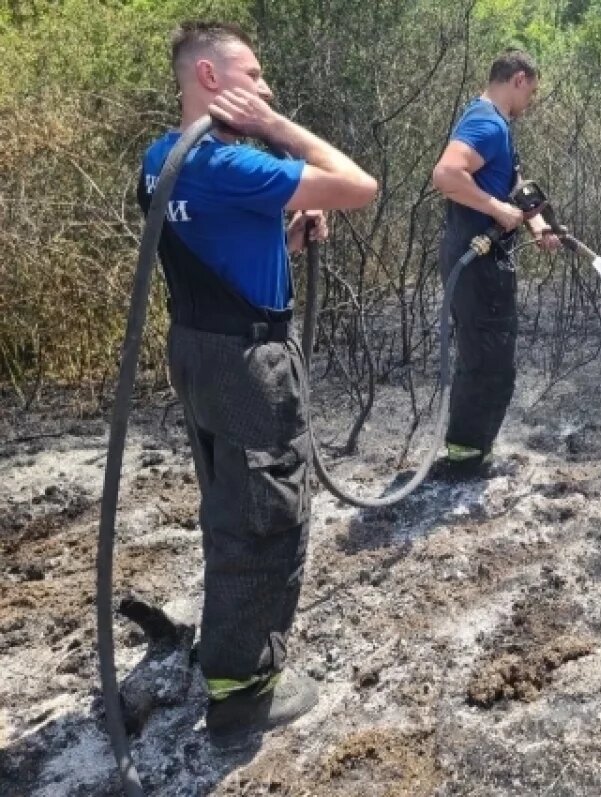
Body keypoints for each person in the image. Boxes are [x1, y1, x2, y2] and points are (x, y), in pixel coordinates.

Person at [138, 21, 377, 743]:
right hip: (248, 365)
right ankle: (242, 690)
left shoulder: (161, 158)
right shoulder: (227, 162)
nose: (266, 89)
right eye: (254, 74)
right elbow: (359, 186)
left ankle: (227, 648)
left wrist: (282, 237)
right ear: (210, 78)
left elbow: (207, 242)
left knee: (231, 500)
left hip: (198, 348)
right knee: (266, 514)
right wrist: (277, 128)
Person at [429, 49, 560, 480]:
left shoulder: (496, 124)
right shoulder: (485, 123)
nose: (530, 103)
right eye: (531, 92)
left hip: (483, 260)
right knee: (487, 361)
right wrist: (496, 209)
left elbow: (513, 181)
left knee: (491, 357)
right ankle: (465, 460)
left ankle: (472, 452)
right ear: (518, 79)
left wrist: (537, 222)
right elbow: (447, 175)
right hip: (476, 260)